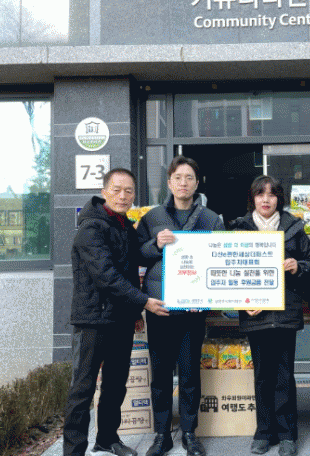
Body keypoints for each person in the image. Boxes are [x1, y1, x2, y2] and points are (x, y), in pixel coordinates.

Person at [63, 168, 168, 456]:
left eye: (129, 191)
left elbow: (134, 266)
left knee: (115, 385)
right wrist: (144, 302)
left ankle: (107, 438)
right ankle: (73, 451)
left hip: (120, 320)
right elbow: (107, 277)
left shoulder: (124, 226)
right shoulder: (91, 228)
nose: (123, 196)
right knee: (82, 389)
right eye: (117, 190)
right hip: (92, 320)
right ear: (104, 191)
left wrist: (158, 245)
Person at [136, 156, 226, 456]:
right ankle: (162, 434)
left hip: (192, 311)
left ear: (197, 183)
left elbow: (220, 260)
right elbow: (137, 254)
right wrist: (155, 245)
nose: (183, 183)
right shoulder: (153, 217)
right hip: (160, 307)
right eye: (178, 177)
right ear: (169, 182)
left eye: (189, 177)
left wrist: (206, 299)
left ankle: (189, 432)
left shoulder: (211, 219)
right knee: (160, 375)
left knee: (189, 374)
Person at [229, 176, 310, 456]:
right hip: (255, 313)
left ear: (279, 198)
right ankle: (264, 432)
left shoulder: (294, 228)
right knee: (262, 376)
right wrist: (242, 302)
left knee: (284, 375)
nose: (266, 199)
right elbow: (230, 271)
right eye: (260, 194)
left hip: (285, 311)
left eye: (271, 194)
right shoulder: (240, 229)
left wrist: (297, 266)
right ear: (252, 198)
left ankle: (288, 434)